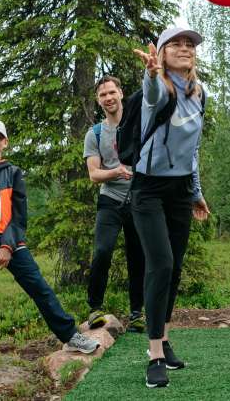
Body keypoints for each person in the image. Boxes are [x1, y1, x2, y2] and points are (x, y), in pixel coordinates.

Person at [0, 118, 100, 378]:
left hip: (11, 244)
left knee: (39, 288)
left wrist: (8, 246)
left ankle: (69, 336)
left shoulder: (13, 173)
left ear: (5, 142)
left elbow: (19, 215)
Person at [130, 27, 211, 388]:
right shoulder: (159, 87)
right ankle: (154, 355)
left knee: (175, 268)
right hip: (148, 188)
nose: (185, 49)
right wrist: (150, 73)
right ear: (161, 53)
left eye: (189, 44)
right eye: (176, 44)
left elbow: (192, 150)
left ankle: (163, 336)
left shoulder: (201, 93)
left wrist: (195, 192)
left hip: (179, 189)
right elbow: (150, 96)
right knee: (159, 265)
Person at [83, 76, 146, 332]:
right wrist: (116, 172)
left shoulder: (139, 126)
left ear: (121, 94)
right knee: (102, 251)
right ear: (99, 101)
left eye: (112, 92)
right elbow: (94, 174)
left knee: (137, 257)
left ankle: (137, 314)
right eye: (103, 95)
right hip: (110, 199)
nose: (108, 98)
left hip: (138, 198)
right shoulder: (95, 133)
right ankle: (95, 308)